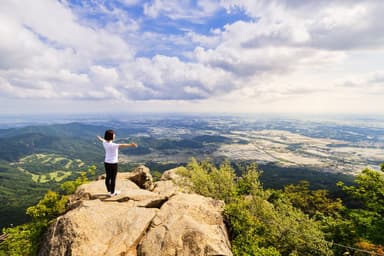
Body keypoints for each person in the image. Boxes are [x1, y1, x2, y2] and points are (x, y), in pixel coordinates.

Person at [97, 130, 137, 196]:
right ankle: (112, 193)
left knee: (108, 177)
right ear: (111, 136)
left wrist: (99, 138)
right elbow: (123, 145)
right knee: (113, 178)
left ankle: (109, 191)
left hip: (106, 162)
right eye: (113, 134)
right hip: (113, 163)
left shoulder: (104, 143)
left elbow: (102, 140)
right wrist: (131, 145)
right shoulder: (113, 145)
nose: (114, 135)